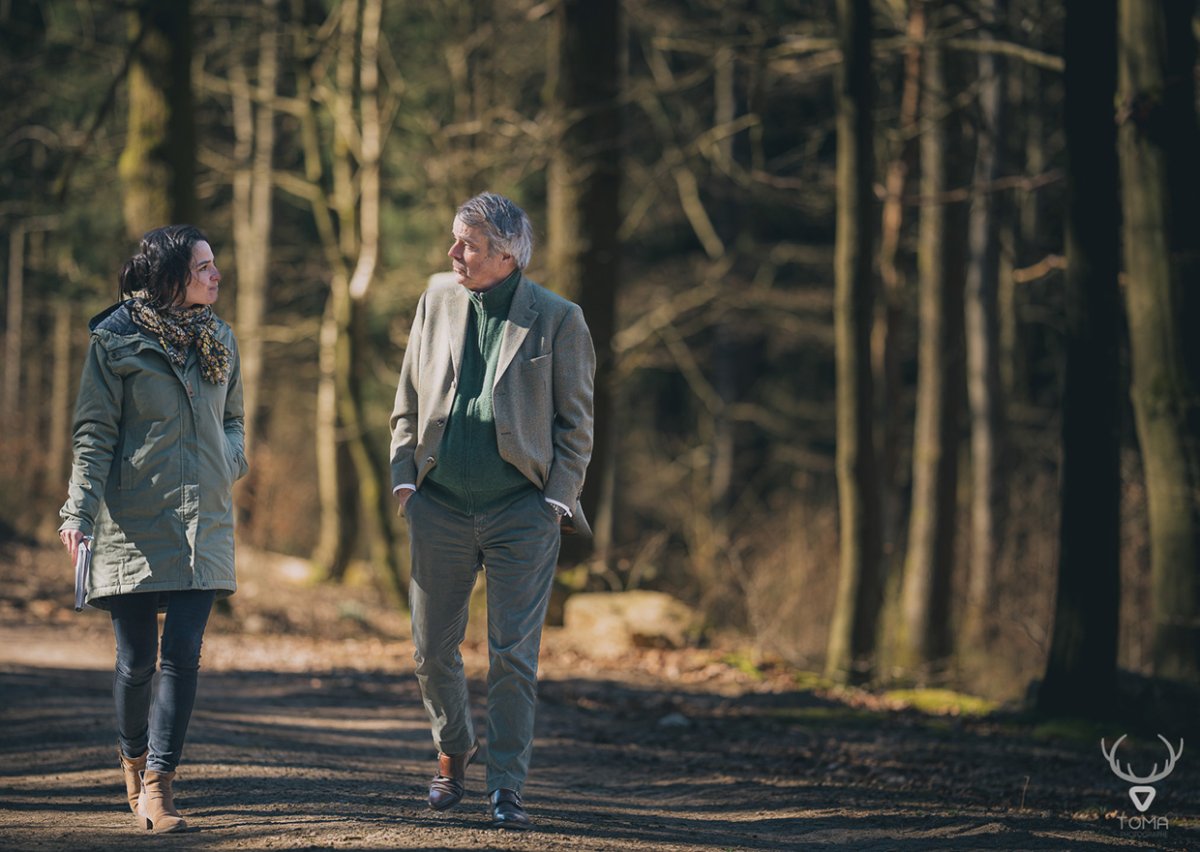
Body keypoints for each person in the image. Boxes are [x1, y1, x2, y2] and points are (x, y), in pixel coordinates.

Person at [389, 192, 595, 830]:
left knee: (513, 656)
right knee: (430, 650)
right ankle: (455, 747)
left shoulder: (558, 319)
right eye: (455, 241)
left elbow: (576, 423)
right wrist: (404, 479)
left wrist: (555, 498)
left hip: (521, 512)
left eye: (468, 244)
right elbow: (407, 394)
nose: (455, 254)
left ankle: (507, 787)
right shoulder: (436, 298)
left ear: (506, 254)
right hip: (439, 505)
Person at [58, 224, 248, 834]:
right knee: (136, 661)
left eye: (214, 265)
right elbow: (95, 435)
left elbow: (237, 420)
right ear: (170, 277)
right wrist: (77, 513)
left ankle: (161, 786)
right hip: (133, 521)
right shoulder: (114, 342)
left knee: (183, 655)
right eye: (203, 267)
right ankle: (133, 761)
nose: (216, 275)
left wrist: (228, 461)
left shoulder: (220, 339)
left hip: (205, 521)